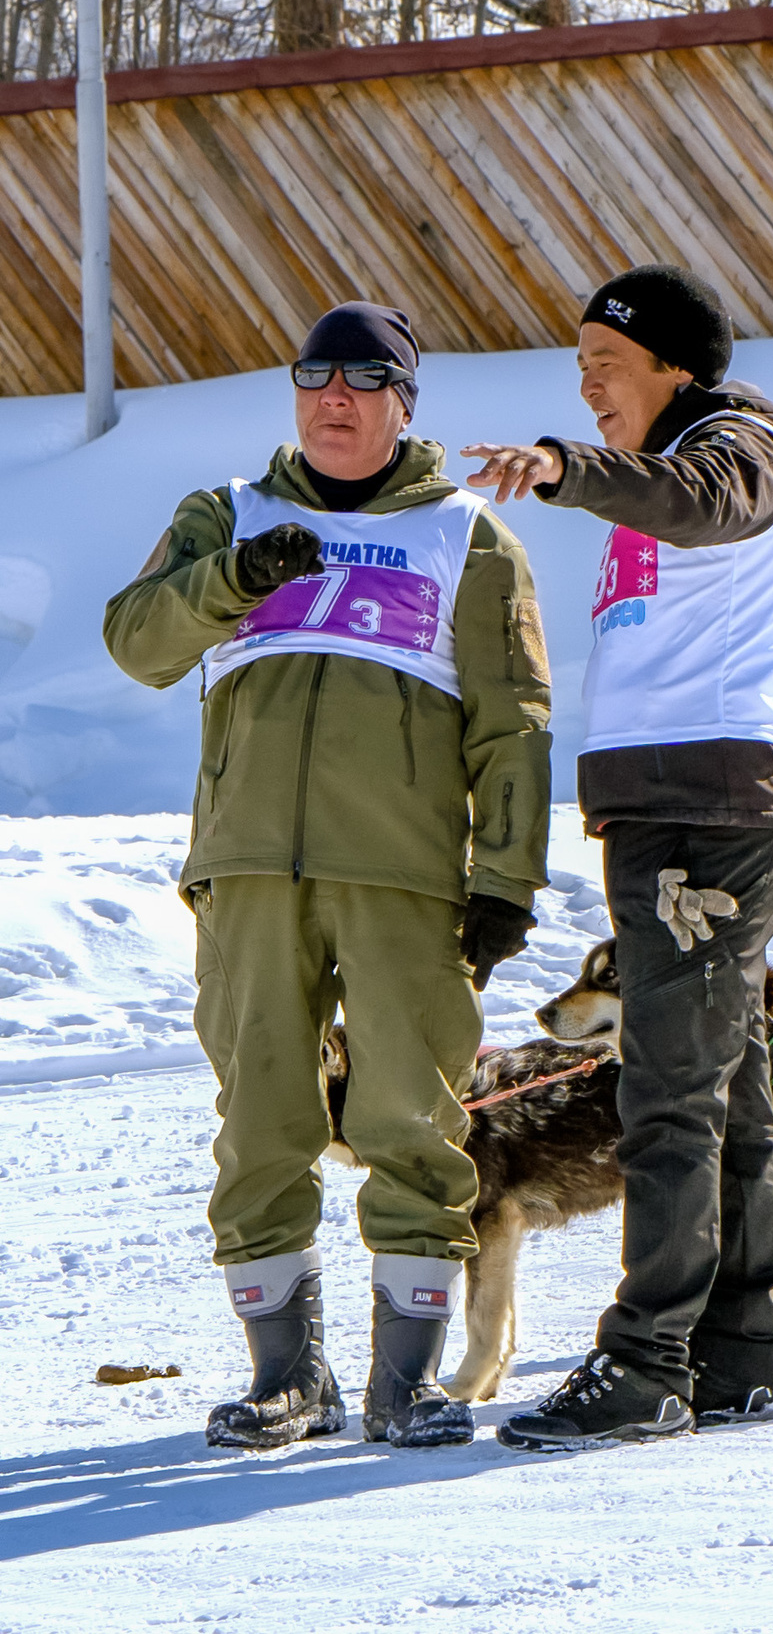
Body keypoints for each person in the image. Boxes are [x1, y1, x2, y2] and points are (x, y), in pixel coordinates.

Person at [103, 303, 553, 1451]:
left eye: (363, 378)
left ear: (405, 401)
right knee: (262, 1115)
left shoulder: (468, 533)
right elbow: (136, 641)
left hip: (406, 877)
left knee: (414, 1115)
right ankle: (286, 1380)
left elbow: (516, 725)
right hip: (251, 868)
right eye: (314, 376)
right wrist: (234, 579)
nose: (334, 396)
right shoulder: (226, 515)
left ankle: (408, 1383)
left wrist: (504, 876)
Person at [462, 263, 773, 1451]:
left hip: (705, 811)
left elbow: (705, 500)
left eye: (604, 364)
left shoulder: (741, 447)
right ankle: (741, 1350)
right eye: (576, 366)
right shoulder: (693, 456)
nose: (586, 382)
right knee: (728, 1085)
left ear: (675, 366)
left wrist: (568, 465)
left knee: (666, 1090)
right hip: (681, 807)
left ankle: (646, 1360)